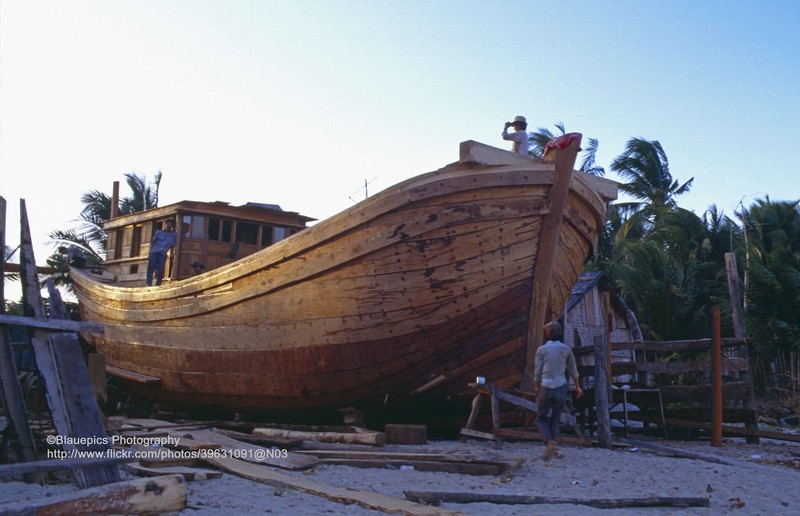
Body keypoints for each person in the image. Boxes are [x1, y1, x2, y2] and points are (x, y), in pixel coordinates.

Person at [533, 320, 583, 461]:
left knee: (541, 417)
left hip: (546, 386)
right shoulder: (566, 349)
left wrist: (536, 385)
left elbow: (537, 371)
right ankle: (553, 446)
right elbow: (574, 371)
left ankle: (549, 442)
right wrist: (578, 387)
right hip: (561, 387)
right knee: (555, 418)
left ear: (547, 334)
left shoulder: (541, 350)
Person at [146, 219, 177, 286]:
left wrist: (173, 253)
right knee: (151, 268)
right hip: (154, 252)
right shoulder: (158, 232)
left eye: (169, 224)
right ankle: (149, 283)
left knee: (161, 269)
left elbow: (173, 245)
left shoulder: (174, 235)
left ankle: (158, 284)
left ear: (172, 225)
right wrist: (149, 253)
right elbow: (153, 242)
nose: (168, 225)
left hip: (163, 254)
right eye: (167, 224)